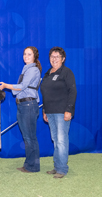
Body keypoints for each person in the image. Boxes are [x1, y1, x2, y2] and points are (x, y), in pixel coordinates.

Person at [0, 46, 41, 173]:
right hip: (23, 105)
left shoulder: (33, 70)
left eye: (29, 54)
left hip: (28, 105)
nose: (26, 56)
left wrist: (6, 86)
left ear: (34, 57)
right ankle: (29, 164)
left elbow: (22, 86)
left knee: (30, 137)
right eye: (24, 54)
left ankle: (33, 166)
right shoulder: (26, 69)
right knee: (27, 137)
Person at [40, 47, 77, 178]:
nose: (54, 59)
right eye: (52, 56)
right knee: (55, 140)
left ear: (63, 59)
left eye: (57, 56)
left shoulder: (66, 72)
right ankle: (57, 166)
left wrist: (69, 110)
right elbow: (45, 93)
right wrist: (44, 109)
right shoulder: (47, 73)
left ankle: (62, 169)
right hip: (50, 111)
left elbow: (73, 92)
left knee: (61, 141)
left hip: (62, 112)